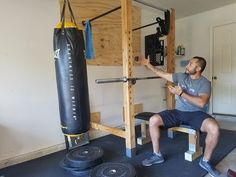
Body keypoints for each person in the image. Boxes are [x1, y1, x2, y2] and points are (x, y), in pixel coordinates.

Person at [139, 56, 220, 177]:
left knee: (214, 128)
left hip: (196, 114)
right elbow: (162, 74)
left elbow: (201, 102)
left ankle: (205, 161)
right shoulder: (181, 77)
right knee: (153, 120)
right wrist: (148, 65)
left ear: (198, 68)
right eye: (188, 63)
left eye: (191, 64)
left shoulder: (205, 83)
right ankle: (157, 155)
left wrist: (181, 93)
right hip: (178, 112)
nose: (187, 66)